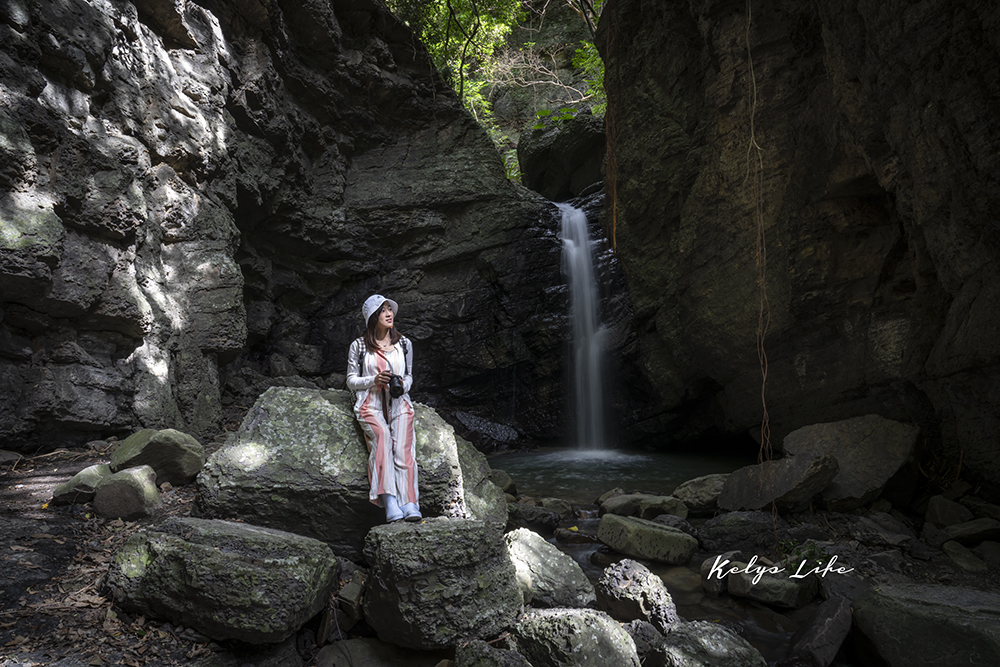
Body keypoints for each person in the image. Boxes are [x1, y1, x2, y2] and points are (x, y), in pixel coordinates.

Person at [346, 294, 421, 523]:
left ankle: (410, 503)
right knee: (383, 439)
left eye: (390, 309)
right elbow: (350, 380)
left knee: (404, 450)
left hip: (399, 404)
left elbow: (409, 378)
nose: (389, 314)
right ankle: (389, 501)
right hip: (370, 405)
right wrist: (374, 380)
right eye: (383, 310)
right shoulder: (359, 346)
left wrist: (400, 384)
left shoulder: (404, 344)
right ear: (372, 317)